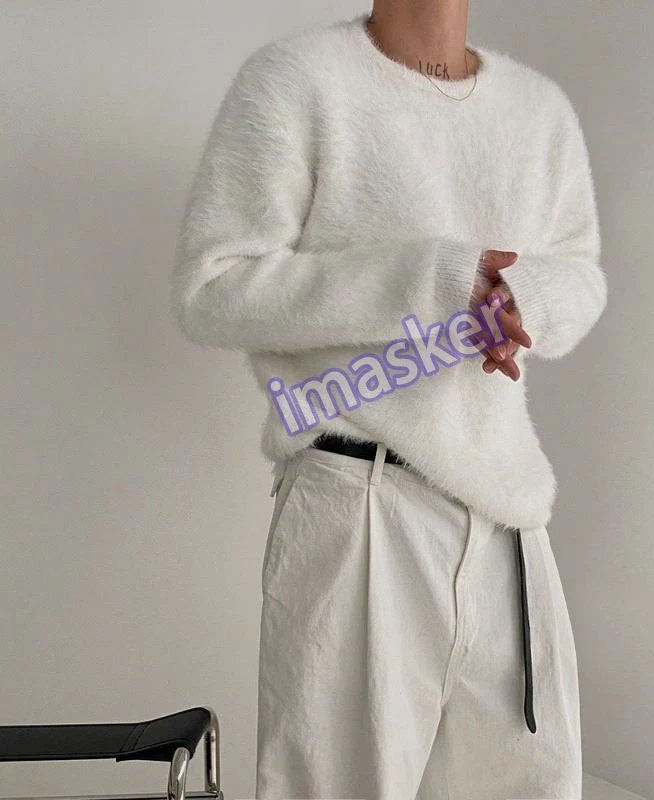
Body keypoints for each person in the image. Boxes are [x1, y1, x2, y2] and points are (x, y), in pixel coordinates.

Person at [170, 2, 607, 797]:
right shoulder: (297, 81)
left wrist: (524, 300)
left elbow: (581, 275)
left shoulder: (539, 111)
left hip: (508, 517)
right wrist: (430, 279)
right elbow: (214, 290)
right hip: (358, 499)